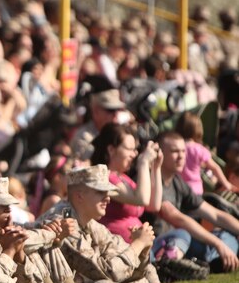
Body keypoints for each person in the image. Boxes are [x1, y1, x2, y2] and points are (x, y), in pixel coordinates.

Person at [39, 165, 160, 283]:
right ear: (79, 195)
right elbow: (106, 271)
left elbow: (129, 266)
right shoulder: (63, 222)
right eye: (100, 192)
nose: (108, 198)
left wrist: (143, 250)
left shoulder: (91, 223)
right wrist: (138, 244)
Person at [149, 131, 239, 273]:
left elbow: (214, 214)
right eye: (174, 151)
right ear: (159, 153)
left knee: (227, 235)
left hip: (183, 242)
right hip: (164, 243)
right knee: (185, 234)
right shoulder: (151, 180)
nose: (181, 157)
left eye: (183, 151)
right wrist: (218, 244)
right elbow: (178, 219)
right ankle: (212, 260)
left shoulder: (178, 181)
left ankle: (215, 261)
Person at [92, 123, 164, 243]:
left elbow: (153, 205)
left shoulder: (124, 178)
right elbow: (142, 199)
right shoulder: (105, 178)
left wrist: (156, 168)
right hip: (118, 249)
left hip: (139, 246)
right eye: (130, 149)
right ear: (111, 150)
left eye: (135, 149)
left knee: (181, 235)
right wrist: (143, 162)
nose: (135, 154)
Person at [175, 111, 236, 194]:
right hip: (195, 190)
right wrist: (226, 184)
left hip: (179, 189)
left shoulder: (176, 148)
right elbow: (215, 167)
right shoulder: (199, 149)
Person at [70, 89, 126, 162]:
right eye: (110, 110)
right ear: (96, 111)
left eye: (117, 109)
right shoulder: (83, 137)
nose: (115, 114)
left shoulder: (122, 131)